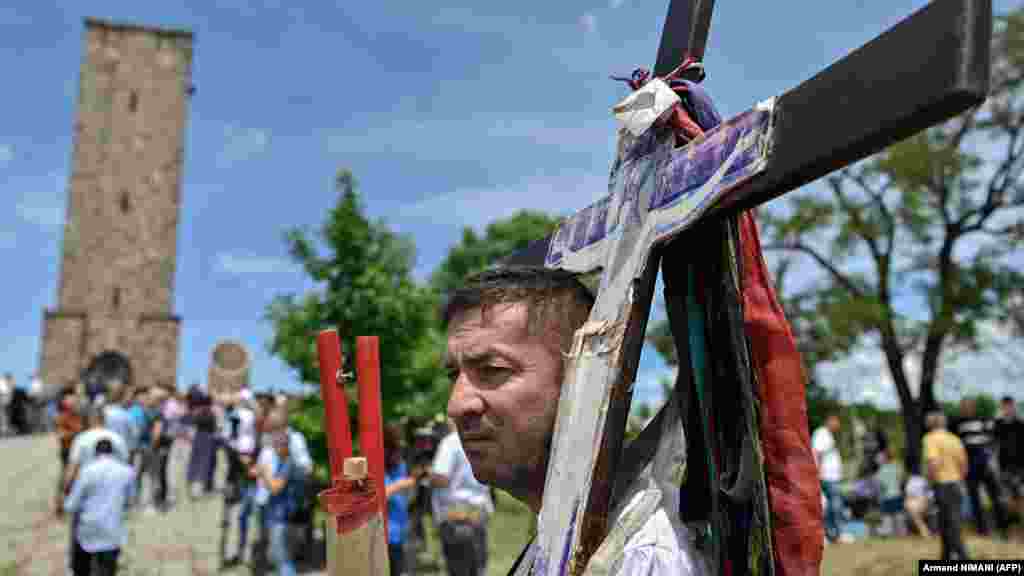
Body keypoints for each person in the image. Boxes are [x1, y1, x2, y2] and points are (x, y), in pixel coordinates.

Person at [442, 268, 709, 575]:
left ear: (582, 379)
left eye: (492, 369)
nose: (456, 404)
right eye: (454, 375)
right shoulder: (562, 535)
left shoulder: (640, 556)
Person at [430, 418, 493, 576]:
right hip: (478, 513)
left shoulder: (451, 442)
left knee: (458, 569)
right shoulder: (484, 441)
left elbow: (441, 478)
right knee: (477, 568)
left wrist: (428, 476)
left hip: (456, 516)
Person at [64, 438, 136, 576]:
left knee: (81, 568)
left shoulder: (87, 471)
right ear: (113, 452)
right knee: (108, 569)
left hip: (88, 530)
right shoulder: (127, 471)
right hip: (113, 530)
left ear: (95, 453)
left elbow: (72, 504)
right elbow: (130, 501)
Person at [953, 397, 1009, 538]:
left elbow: (993, 438)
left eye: (970, 406)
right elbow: (956, 445)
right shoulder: (957, 423)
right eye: (964, 406)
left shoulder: (983, 420)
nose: (967, 408)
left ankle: (1002, 528)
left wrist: (991, 457)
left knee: (995, 497)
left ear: (974, 407)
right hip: (969, 466)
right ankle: (982, 529)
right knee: (974, 498)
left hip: (986, 464)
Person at [923, 411, 969, 560]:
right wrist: (959, 479)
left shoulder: (930, 439)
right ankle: (945, 557)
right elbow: (964, 464)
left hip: (942, 484)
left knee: (951, 526)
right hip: (956, 484)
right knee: (947, 524)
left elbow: (933, 463)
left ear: (931, 424)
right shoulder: (954, 439)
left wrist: (930, 481)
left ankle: (964, 558)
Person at [256, 430, 299, 576]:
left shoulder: (288, 463)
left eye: (279, 445)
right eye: (275, 445)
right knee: (276, 554)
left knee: (282, 555)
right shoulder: (281, 461)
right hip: (275, 513)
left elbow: (275, 488)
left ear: (286, 445)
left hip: (283, 516)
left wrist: (264, 473)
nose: (276, 448)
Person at [383, 423, 421, 576]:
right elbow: (380, 495)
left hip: (399, 530)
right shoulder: (377, 465)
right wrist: (403, 484)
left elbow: (409, 496)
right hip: (385, 533)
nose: (400, 451)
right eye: (395, 447)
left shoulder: (400, 464)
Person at [812, 413, 845, 542]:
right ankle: (834, 533)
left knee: (833, 505)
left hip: (831, 476)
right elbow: (818, 453)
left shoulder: (827, 435)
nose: (838, 425)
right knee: (835, 505)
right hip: (827, 477)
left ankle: (832, 534)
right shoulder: (822, 433)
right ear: (830, 421)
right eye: (837, 421)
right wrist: (819, 472)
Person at [55, 386, 85, 516]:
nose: (73, 401)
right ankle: (60, 506)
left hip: (78, 451)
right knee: (66, 478)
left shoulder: (80, 414)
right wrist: (75, 432)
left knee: (77, 479)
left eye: (75, 398)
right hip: (67, 451)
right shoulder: (61, 417)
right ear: (64, 400)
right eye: (70, 398)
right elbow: (60, 435)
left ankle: (74, 505)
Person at [995, 396, 1023, 499]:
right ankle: (1011, 514)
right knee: (1007, 494)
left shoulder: (1020, 424)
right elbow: (994, 444)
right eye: (1004, 407)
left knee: (1019, 493)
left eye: (1010, 406)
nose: (1007, 409)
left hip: (1020, 465)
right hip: (1003, 464)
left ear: (1014, 407)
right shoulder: (997, 424)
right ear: (1001, 408)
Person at [904, 473, 934, 538]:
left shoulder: (911, 481)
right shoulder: (923, 480)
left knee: (916, 516)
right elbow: (929, 493)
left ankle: (925, 533)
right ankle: (925, 532)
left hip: (920, 501)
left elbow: (908, 494)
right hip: (923, 501)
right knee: (917, 516)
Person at [0, 372, 12, 436]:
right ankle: (4, 430)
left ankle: (4, 430)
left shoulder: (5, 383)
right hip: (4, 400)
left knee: (4, 416)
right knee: (3, 416)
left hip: (4, 401)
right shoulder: (3, 382)